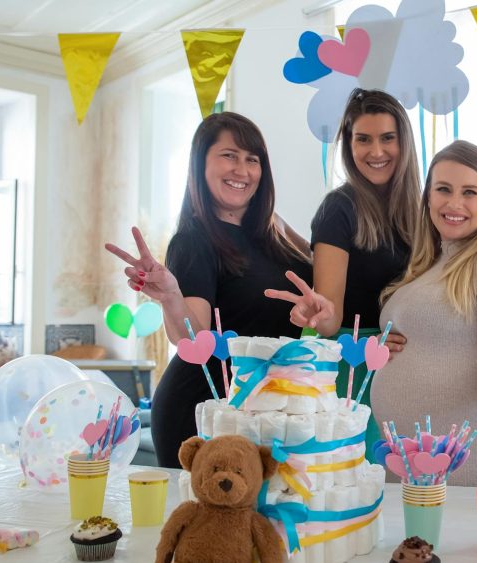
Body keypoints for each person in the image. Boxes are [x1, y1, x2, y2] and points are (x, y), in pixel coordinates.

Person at [105, 112, 327, 468]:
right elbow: (192, 339)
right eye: (229, 155)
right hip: (203, 408)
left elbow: (324, 270)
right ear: (200, 165)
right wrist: (172, 296)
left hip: (267, 406)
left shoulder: (275, 228)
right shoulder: (194, 239)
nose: (242, 170)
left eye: (252, 159)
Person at [374, 140, 477, 486]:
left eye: (470, 192)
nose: (454, 203)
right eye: (443, 189)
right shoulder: (427, 264)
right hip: (406, 460)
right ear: (428, 197)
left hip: (465, 462)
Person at [303, 88, 420, 450]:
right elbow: (329, 318)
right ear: (348, 146)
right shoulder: (338, 208)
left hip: (406, 373)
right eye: (363, 140)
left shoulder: (422, 211)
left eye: (388, 138)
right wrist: (365, 344)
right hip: (352, 370)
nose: (376, 151)